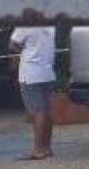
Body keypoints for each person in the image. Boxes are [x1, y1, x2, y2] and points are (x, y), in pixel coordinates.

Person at [10, 26, 57, 160]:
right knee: (46, 110)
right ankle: (46, 147)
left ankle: (38, 149)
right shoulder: (49, 24)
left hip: (30, 72)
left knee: (37, 111)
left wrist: (23, 49)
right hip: (47, 71)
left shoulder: (26, 24)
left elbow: (13, 44)